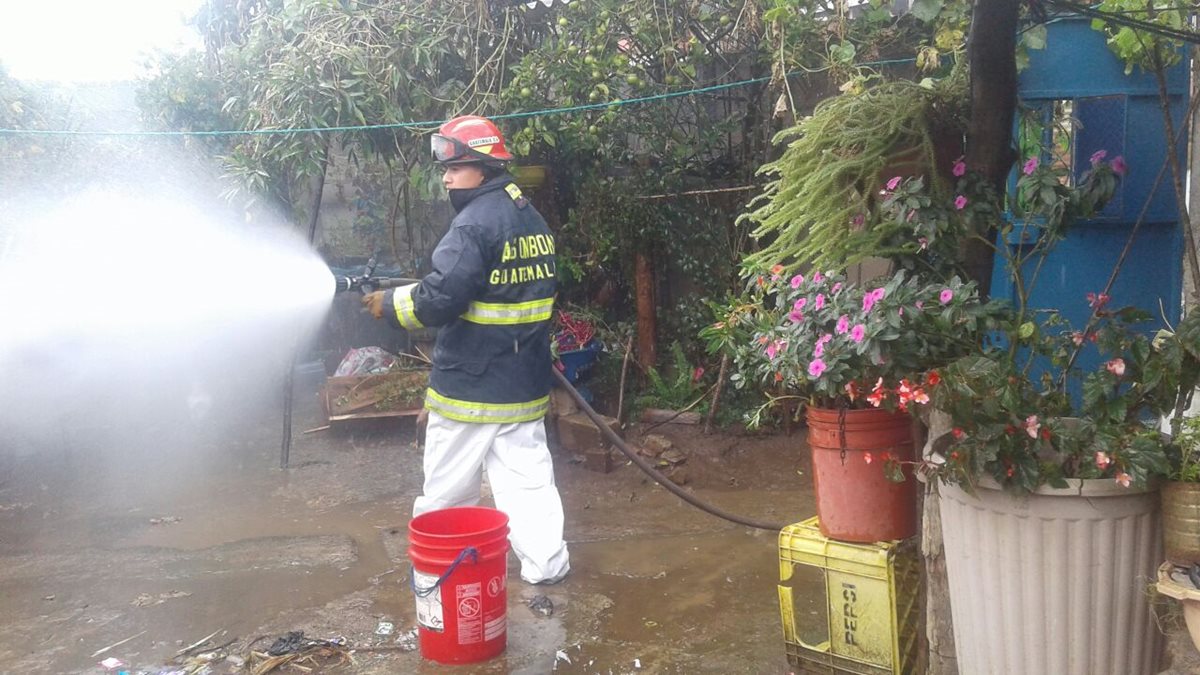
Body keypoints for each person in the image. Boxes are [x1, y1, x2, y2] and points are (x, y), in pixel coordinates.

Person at [362, 115, 570, 585]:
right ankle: (547, 567)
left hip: (469, 388)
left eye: (455, 169)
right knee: (529, 487)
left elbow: (441, 298)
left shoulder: (473, 224)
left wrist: (390, 305)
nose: (447, 179)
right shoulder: (529, 217)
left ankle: (439, 576)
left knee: (447, 491)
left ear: (483, 167)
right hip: (522, 384)